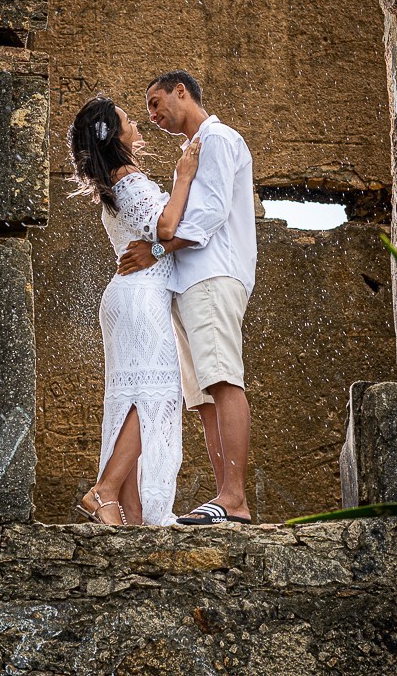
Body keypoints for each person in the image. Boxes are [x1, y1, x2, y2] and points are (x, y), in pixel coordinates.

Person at [117, 70, 257, 525]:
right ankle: (224, 498)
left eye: (156, 103)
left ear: (182, 92)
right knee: (202, 396)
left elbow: (208, 214)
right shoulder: (191, 151)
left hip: (212, 276)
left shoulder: (216, 139)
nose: (152, 115)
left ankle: (234, 498)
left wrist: (156, 249)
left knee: (223, 380)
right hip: (189, 283)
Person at [67, 95, 201, 525]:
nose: (138, 127)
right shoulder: (129, 179)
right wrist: (183, 177)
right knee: (155, 395)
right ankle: (105, 490)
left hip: (126, 297)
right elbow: (166, 228)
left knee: (130, 399)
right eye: (129, 121)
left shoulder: (113, 183)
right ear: (114, 134)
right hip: (143, 297)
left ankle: (128, 511)